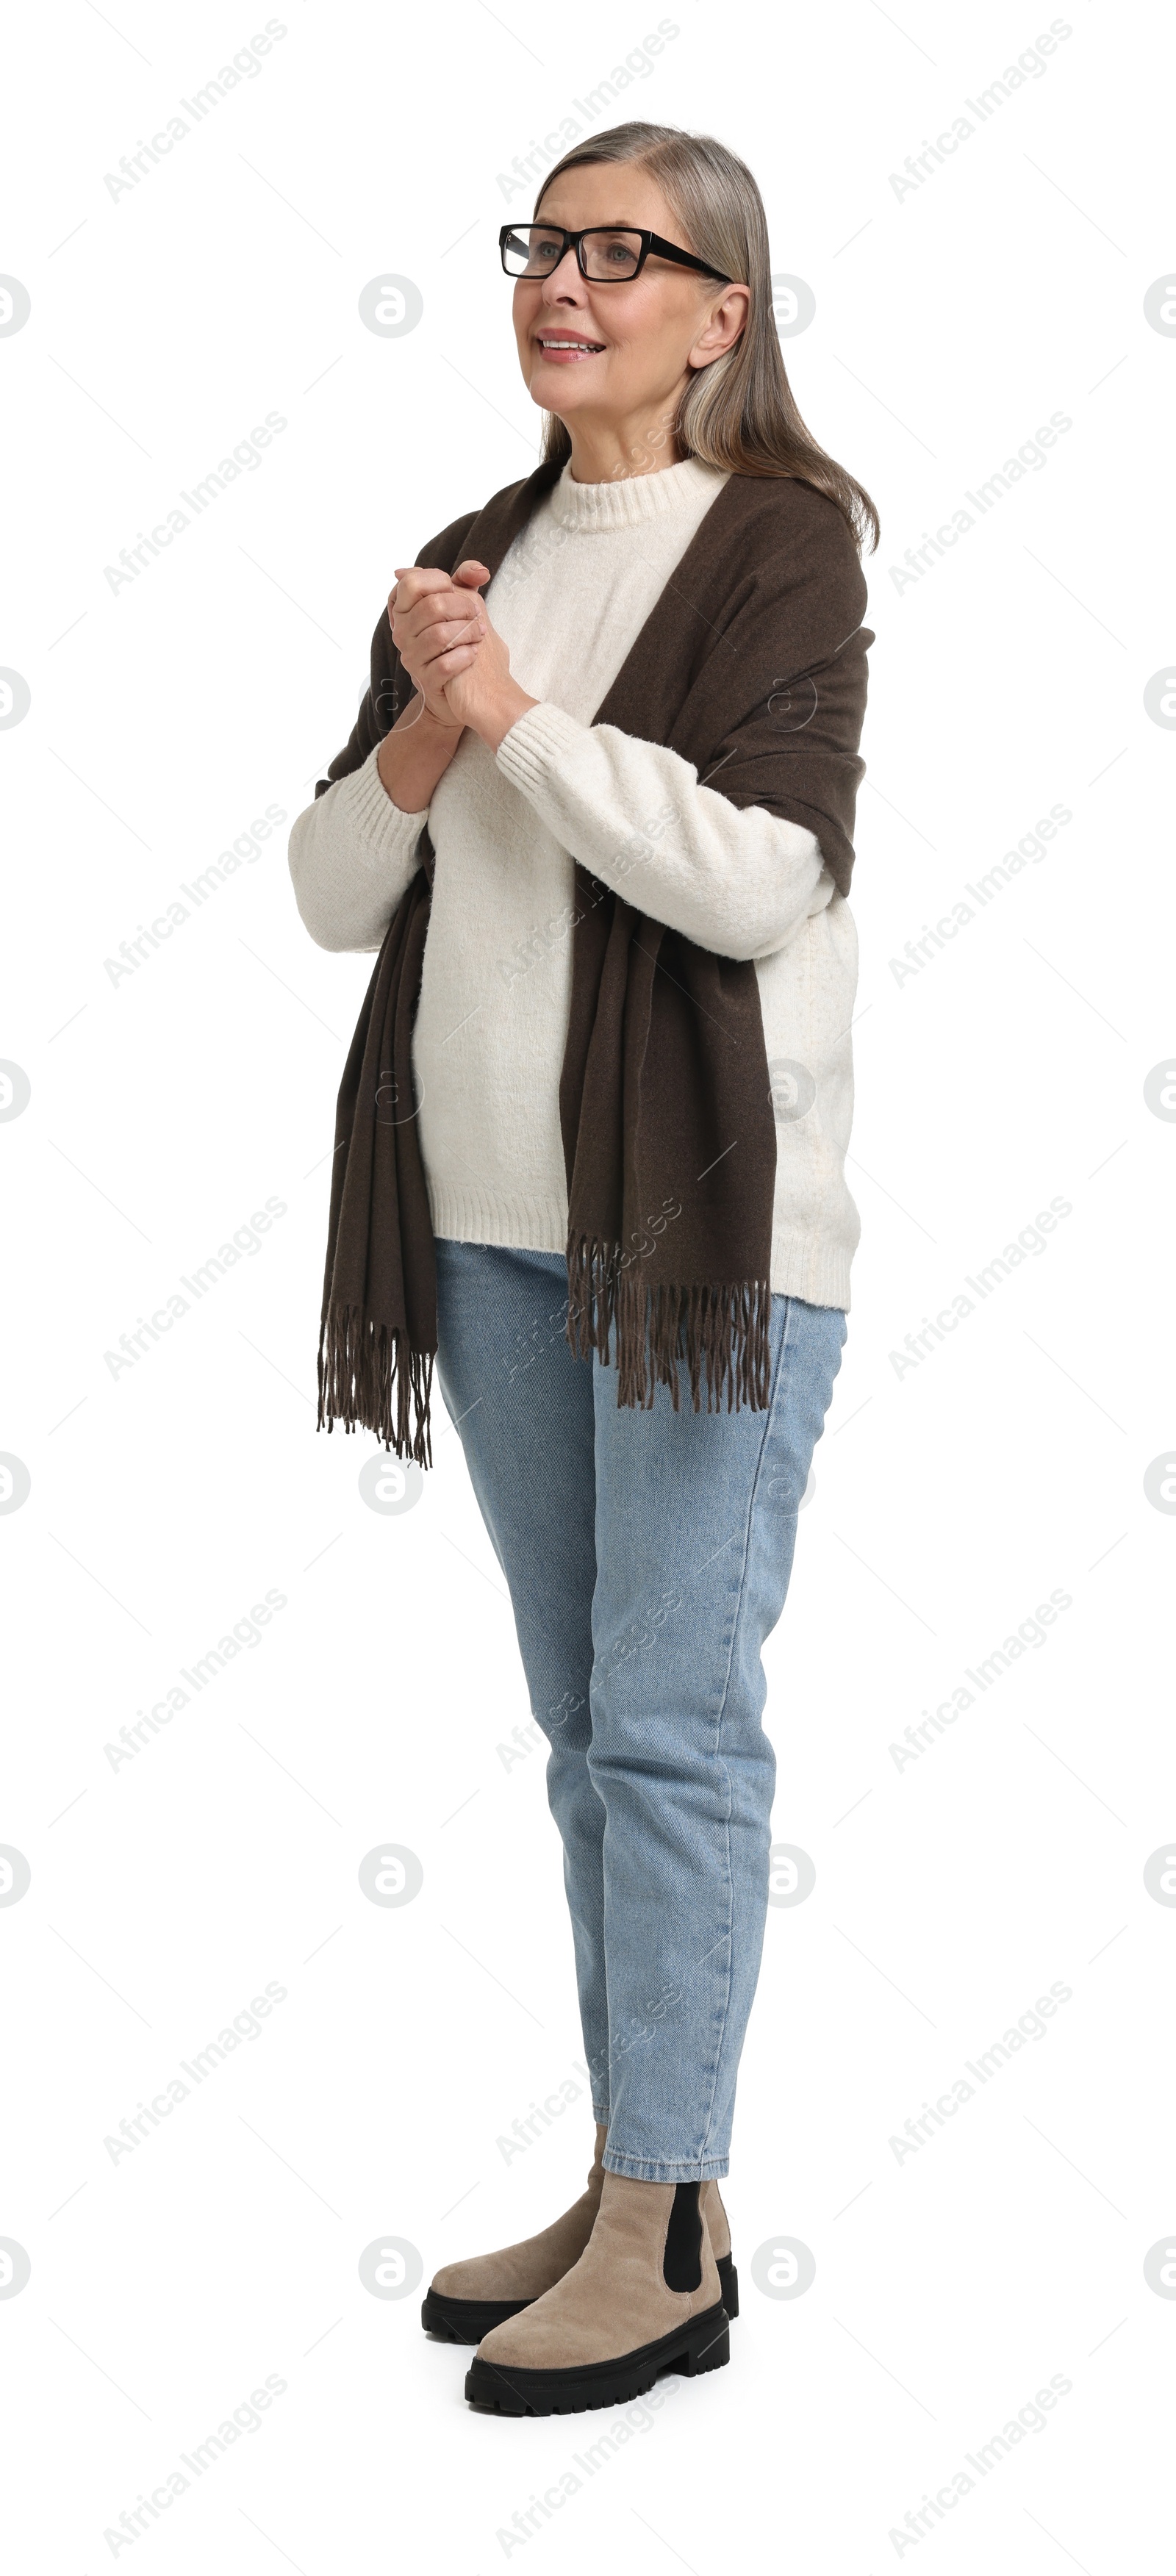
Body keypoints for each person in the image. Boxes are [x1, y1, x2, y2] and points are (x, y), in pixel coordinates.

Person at [288, 119, 877, 2418]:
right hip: (492, 1230)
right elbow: (341, 891)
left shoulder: (783, 547)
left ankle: (671, 2218)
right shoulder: (469, 560)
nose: (566, 279)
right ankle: (655, 2179)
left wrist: (518, 721)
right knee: (585, 1737)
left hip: (702, 1238)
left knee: (673, 1727)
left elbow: (758, 881)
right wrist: (437, 707)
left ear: (725, 309)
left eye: (625, 251)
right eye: (544, 239)